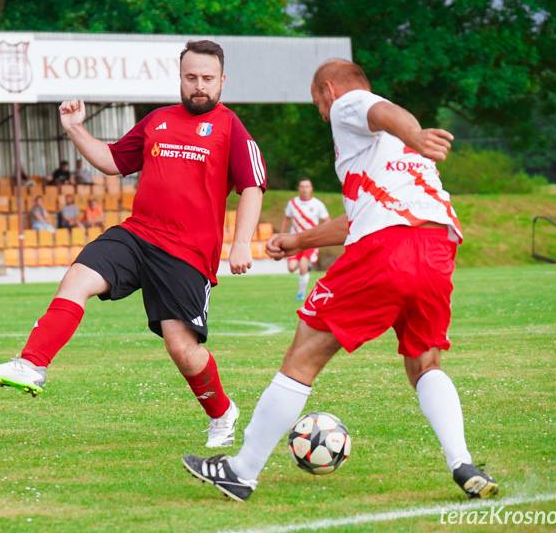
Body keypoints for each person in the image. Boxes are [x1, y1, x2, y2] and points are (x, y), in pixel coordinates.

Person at [181, 59, 498, 501]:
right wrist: (298, 241)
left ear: (328, 90)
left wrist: (416, 133)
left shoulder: (352, 104)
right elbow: (358, 220)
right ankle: (462, 463)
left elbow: (384, 112)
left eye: (317, 103)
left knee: (304, 354)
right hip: (437, 248)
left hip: (388, 250)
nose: (321, 113)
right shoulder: (387, 157)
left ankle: (241, 470)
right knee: (424, 360)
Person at [0, 40, 266, 449]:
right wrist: (75, 128)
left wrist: (242, 244)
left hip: (187, 253)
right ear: (180, 78)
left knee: (181, 349)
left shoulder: (230, 126)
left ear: (222, 81)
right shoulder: (157, 120)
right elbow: (114, 162)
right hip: (138, 234)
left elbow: (252, 185)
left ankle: (222, 412)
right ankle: (31, 364)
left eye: (207, 79)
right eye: (191, 77)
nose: (199, 86)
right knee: (77, 277)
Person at [279, 178, 330, 300]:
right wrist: (281, 234)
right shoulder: (293, 203)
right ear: (298, 188)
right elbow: (286, 218)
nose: (305, 189)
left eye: (307, 186)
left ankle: (301, 293)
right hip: (295, 240)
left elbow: (327, 221)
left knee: (302, 265)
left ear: (311, 188)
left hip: (310, 241)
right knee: (291, 268)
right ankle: (309, 266)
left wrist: (321, 234)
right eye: (302, 186)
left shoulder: (317, 204)